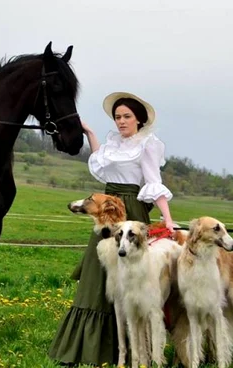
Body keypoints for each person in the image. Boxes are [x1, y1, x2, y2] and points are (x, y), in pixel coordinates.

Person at [48, 91, 175, 366]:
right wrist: (91, 132)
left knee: (131, 280)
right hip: (107, 212)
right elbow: (100, 164)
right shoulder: (113, 144)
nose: (121, 121)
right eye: (117, 117)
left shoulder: (147, 145)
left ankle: (134, 351)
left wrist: (167, 219)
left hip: (132, 210)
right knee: (96, 277)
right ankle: (85, 349)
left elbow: (154, 184)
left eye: (127, 116)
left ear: (139, 120)